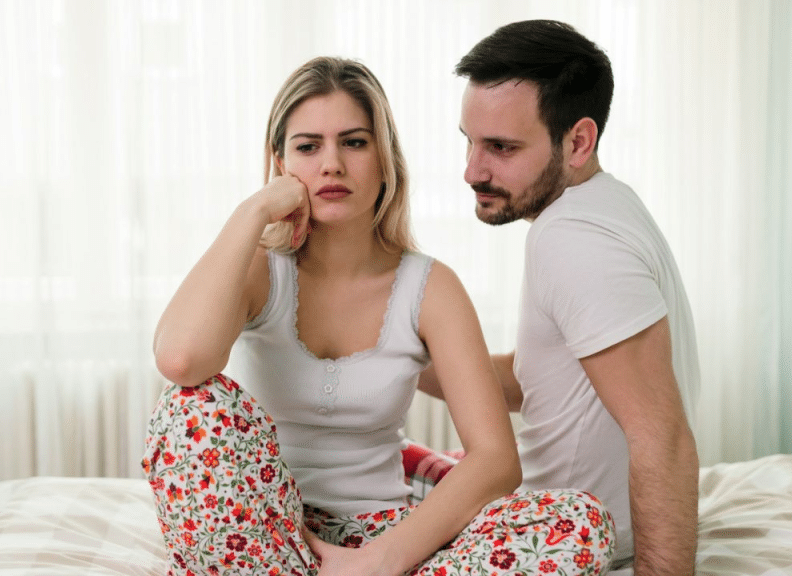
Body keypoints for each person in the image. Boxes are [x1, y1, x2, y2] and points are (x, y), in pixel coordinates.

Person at [144, 56, 616, 576]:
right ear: (280, 163)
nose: (332, 165)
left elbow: (495, 460)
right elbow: (182, 359)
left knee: (581, 521)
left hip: (386, 537)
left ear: (384, 157)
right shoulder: (259, 271)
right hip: (267, 531)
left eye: (354, 142)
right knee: (189, 407)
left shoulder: (431, 288)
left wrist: (379, 560)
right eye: (307, 146)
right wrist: (253, 212)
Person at [419, 20, 701, 575]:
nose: (472, 171)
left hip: (570, 539)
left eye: (500, 148)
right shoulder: (604, 204)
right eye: (469, 142)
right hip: (552, 516)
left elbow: (661, 436)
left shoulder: (574, 239)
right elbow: (544, 384)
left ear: (578, 141)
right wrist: (397, 358)